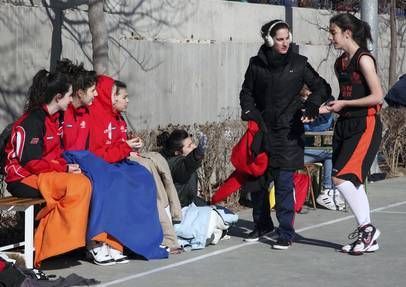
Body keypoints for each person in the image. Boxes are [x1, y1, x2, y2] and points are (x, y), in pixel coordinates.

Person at [59, 62, 167, 264]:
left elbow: (109, 144)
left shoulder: (92, 113)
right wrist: (124, 148)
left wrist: (127, 147)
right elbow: (92, 150)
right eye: (94, 91)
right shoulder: (81, 113)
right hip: (83, 162)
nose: (96, 96)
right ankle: (98, 241)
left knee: (142, 177)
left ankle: (131, 239)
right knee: (110, 181)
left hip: (95, 160)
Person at [239, 19, 328, 249]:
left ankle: (286, 231)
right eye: (280, 39)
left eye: (288, 37)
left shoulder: (299, 63)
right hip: (263, 132)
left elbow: (322, 87)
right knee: (257, 182)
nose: (285, 42)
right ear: (269, 40)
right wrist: (249, 111)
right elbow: (246, 92)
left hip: (288, 134)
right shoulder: (256, 65)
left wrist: (312, 105)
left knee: (283, 184)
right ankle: (262, 224)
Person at [3, 69, 92, 267]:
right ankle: (47, 244)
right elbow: (31, 162)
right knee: (77, 186)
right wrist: (65, 170)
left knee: (84, 181)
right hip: (21, 179)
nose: (71, 101)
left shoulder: (53, 119)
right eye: (69, 95)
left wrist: (66, 167)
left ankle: (52, 242)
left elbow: (52, 157)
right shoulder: (33, 121)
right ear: (58, 96)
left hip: (43, 174)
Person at [326, 13, 383, 255]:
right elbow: (346, 97)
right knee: (351, 181)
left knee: (341, 179)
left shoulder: (364, 59)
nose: (331, 37)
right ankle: (367, 235)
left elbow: (378, 96)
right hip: (346, 124)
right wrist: (329, 106)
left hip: (365, 124)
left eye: (334, 32)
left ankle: (368, 229)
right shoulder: (340, 63)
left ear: (347, 32)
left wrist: (345, 105)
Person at [300, 85, 345, 211]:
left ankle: (327, 191)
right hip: (302, 151)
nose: (307, 100)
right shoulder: (299, 107)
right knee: (329, 154)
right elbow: (309, 127)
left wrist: (316, 113)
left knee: (330, 155)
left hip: (320, 150)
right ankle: (328, 190)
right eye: (305, 97)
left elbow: (323, 124)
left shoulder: (326, 106)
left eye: (309, 96)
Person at [158, 129, 208, 208]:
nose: (194, 146)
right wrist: (196, 154)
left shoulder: (181, 159)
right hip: (179, 210)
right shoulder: (172, 164)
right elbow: (184, 167)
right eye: (189, 146)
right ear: (177, 153)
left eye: (192, 143)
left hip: (190, 203)